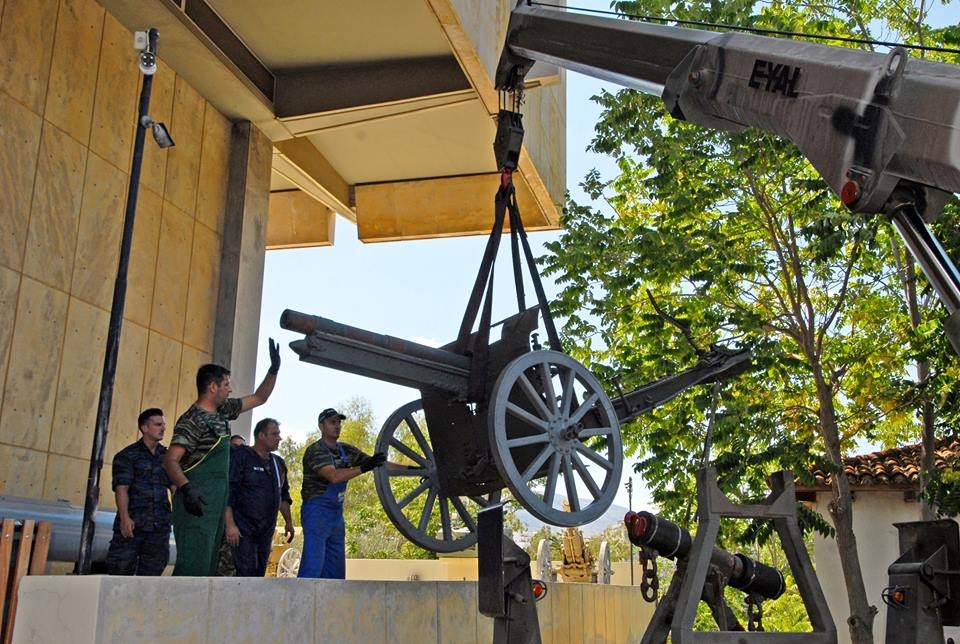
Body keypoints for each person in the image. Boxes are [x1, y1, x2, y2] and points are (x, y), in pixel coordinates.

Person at [163, 339, 280, 576]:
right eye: (226, 384)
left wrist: (273, 370)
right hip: (196, 504)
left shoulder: (222, 411)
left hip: (215, 504)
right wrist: (187, 489)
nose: (230, 389)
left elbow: (259, 398)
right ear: (212, 387)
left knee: (209, 568)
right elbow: (170, 460)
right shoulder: (192, 419)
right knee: (193, 565)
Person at [297, 407, 387, 579]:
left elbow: (378, 463)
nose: (337, 426)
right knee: (313, 566)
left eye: (339, 422)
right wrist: (364, 467)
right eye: (332, 422)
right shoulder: (316, 450)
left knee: (335, 570)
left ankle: (331, 604)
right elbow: (334, 476)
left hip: (336, 515)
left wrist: (414, 468)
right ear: (321, 426)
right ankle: (304, 603)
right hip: (316, 512)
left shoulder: (346, 450)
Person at [105, 408, 174, 575]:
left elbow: (174, 487)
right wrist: (125, 518)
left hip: (159, 526)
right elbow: (121, 489)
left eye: (164, 425)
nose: (163, 428)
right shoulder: (127, 456)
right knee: (120, 570)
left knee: (152, 574)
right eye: (158, 425)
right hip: (134, 524)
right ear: (144, 428)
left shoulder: (167, 456)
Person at [224, 418, 294, 576]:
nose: (279, 438)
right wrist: (230, 525)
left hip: (266, 530)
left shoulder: (278, 464)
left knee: (259, 572)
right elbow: (229, 491)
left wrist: (289, 522)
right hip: (243, 529)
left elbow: (283, 495)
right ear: (261, 436)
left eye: (279, 434)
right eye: (274, 434)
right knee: (245, 573)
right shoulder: (242, 457)